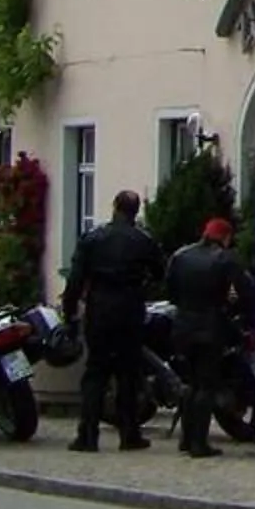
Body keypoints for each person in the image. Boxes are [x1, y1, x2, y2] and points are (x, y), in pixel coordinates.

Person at [60, 188, 163, 453]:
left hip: (100, 308)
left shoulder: (93, 239)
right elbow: (160, 272)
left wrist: (69, 311)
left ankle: (88, 435)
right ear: (136, 210)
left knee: (96, 373)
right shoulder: (143, 240)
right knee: (128, 374)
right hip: (130, 308)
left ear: (115, 207)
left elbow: (75, 280)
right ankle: (129, 435)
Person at [163, 215, 255, 459]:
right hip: (210, 327)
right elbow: (246, 293)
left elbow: (170, 291)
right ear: (225, 237)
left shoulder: (180, 256)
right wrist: (234, 309)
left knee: (190, 383)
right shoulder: (226, 259)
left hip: (182, 326)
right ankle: (199, 443)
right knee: (206, 385)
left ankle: (186, 438)